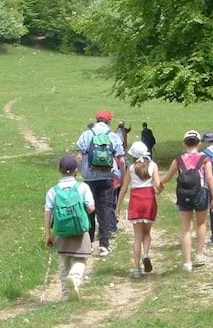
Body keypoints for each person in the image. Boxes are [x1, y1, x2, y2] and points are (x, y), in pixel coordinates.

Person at [160, 130, 213, 271]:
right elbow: (209, 178)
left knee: (185, 228)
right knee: (201, 224)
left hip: (183, 195)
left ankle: (186, 262)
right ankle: (199, 255)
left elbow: (167, 177)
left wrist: (156, 184)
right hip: (201, 193)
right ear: (199, 143)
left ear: (184, 144)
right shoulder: (205, 159)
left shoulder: (178, 160)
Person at [44, 156, 95, 301]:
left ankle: (66, 295)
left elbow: (48, 212)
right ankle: (75, 277)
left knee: (64, 264)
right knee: (80, 259)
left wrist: (48, 234)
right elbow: (91, 208)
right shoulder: (82, 187)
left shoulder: (53, 191)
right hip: (80, 231)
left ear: (59, 170)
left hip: (61, 233)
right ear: (76, 171)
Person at [76, 111, 125, 256]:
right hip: (107, 178)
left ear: (96, 120)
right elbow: (121, 160)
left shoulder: (86, 134)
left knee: (89, 210)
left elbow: (79, 156)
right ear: (109, 121)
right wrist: (121, 177)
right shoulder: (113, 135)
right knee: (104, 209)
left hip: (89, 178)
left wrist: (76, 172)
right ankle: (104, 245)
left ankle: (89, 243)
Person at [116, 141, 162, 278]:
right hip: (148, 199)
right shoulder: (153, 166)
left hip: (136, 200)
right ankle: (146, 254)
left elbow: (124, 188)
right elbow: (157, 185)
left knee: (137, 237)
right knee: (147, 233)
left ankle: (136, 269)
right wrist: (160, 190)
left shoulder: (130, 168)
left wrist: (118, 206)